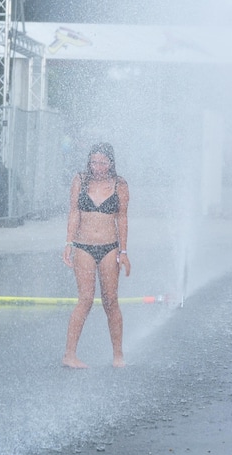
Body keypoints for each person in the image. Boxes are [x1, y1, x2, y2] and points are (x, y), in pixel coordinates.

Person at [62, 143, 131, 368]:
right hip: (83, 246)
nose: (97, 167)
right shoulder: (80, 180)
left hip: (110, 247)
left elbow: (122, 218)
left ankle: (118, 355)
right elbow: (74, 212)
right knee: (85, 300)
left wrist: (124, 251)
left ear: (111, 163)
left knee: (111, 301)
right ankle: (69, 355)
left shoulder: (120, 184)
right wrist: (68, 243)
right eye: (94, 162)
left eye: (102, 162)